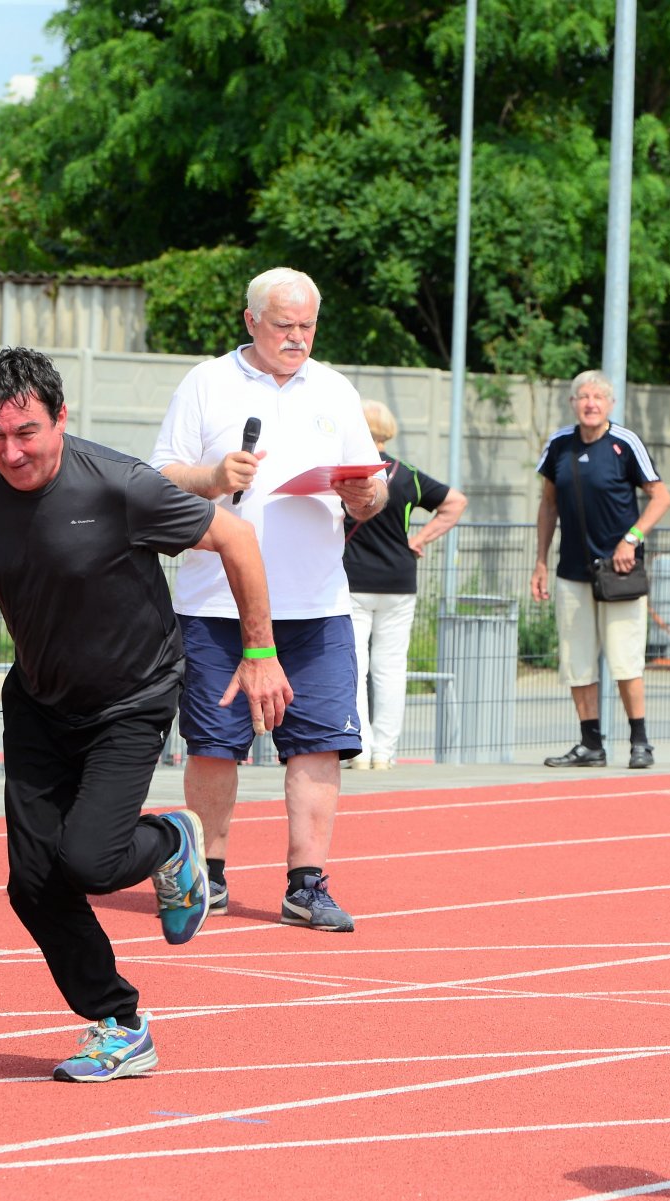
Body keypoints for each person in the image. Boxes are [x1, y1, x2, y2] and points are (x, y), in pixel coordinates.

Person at [0, 347, 291, 1081]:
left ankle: (171, 842)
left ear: (60, 418)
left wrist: (260, 652)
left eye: (25, 432)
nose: (10, 452)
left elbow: (235, 537)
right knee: (32, 884)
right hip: (40, 705)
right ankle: (120, 1023)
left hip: (130, 699)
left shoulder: (119, 485)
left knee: (86, 860)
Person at [151, 267, 387, 933]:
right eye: (284, 325)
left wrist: (367, 496)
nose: (297, 338)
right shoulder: (206, 382)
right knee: (215, 745)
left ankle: (306, 884)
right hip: (215, 604)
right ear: (251, 320)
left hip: (316, 604)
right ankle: (210, 875)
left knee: (318, 746)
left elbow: (372, 486)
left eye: (307, 326)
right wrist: (211, 475)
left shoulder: (335, 388)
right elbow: (160, 474)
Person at [530, 370, 670, 768]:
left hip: (619, 570)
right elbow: (548, 504)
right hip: (571, 570)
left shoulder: (625, 444)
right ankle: (590, 744)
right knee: (576, 660)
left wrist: (632, 539)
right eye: (583, 396)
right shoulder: (559, 444)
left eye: (598, 397)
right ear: (573, 403)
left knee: (626, 658)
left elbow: (661, 497)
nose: (590, 403)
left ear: (610, 404)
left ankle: (640, 742)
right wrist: (540, 561)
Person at [343, 399, 467, 770]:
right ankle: (385, 752)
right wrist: (421, 540)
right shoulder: (407, 474)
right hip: (399, 580)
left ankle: (359, 750)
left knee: (355, 666)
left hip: (353, 580)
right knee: (391, 669)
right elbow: (455, 502)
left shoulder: (347, 476)